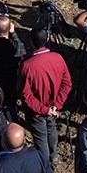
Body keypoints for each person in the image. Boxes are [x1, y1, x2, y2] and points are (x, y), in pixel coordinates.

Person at [19, 27, 72, 165]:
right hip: (53, 108)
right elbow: (67, 83)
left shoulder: (27, 66)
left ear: (31, 42)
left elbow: (26, 95)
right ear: (47, 40)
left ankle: (44, 164)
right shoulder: (58, 58)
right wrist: (56, 105)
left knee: (41, 138)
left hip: (36, 112)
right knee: (51, 130)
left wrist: (44, 110)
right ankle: (53, 156)